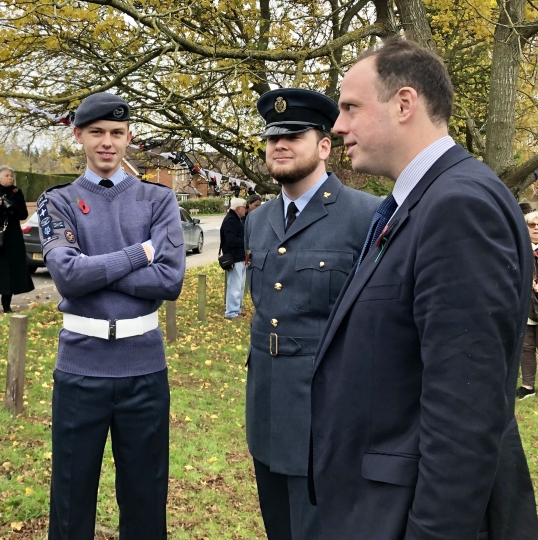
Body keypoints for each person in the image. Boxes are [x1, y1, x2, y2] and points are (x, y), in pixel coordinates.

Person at [311, 36, 538, 539]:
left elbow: (464, 417)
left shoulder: (458, 207)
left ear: (404, 103)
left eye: (350, 106)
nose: (338, 125)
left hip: (412, 516)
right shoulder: (422, 200)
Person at [38, 92, 185, 540]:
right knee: (70, 497)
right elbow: (65, 275)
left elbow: (169, 281)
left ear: (129, 138)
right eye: (97, 133)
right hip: (81, 368)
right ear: (78, 135)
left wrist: (94, 269)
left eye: (117, 134)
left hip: (144, 367)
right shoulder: (58, 200)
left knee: (145, 498)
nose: (107, 143)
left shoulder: (158, 200)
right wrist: (137, 255)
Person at [243, 88, 380, 540]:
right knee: (278, 528)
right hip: (266, 406)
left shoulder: (367, 216)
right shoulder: (258, 221)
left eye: (294, 136)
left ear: (324, 146)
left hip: (327, 413)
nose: (279, 146)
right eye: (272, 138)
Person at [0, 166, 34, 314]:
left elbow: (23, 214)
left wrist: (13, 207)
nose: (10, 178)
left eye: (11, 176)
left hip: (12, 237)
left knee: (10, 272)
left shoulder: (16, 192)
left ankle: (6, 305)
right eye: (7, 175)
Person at [518, 210, 538, 400]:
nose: (537, 228)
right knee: (526, 347)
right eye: (532, 225)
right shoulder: (520, 250)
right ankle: (527, 386)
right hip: (527, 307)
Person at [221, 197, 247, 319]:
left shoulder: (236, 219)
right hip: (234, 257)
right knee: (234, 286)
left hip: (240, 256)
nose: (246, 209)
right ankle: (231, 312)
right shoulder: (230, 220)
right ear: (238, 208)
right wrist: (246, 241)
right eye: (244, 207)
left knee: (240, 285)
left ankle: (237, 309)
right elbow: (230, 241)